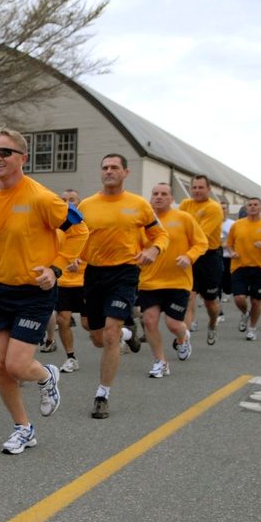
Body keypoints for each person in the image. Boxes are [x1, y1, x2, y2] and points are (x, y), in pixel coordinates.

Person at [0, 127, 87, 453]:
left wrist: (55, 269)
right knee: (0, 366)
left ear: (23, 159)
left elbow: (79, 230)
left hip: (35, 293)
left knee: (17, 365)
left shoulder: (42, 197)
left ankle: (46, 376)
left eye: (5, 152)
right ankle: (23, 428)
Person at [75, 153, 169, 419]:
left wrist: (154, 249)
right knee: (96, 338)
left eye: (114, 167)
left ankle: (102, 394)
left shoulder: (139, 205)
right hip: (94, 274)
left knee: (110, 333)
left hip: (125, 273)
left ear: (125, 173)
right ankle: (131, 335)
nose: (108, 171)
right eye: (104, 167)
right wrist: (71, 259)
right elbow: (75, 236)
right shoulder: (87, 205)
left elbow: (161, 234)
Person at [138, 183, 207, 377]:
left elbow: (201, 243)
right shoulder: (143, 222)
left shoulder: (184, 218)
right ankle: (161, 362)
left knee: (173, 325)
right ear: (151, 198)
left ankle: (183, 338)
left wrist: (189, 257)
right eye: (155, 193)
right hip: (150, 280)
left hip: (178, 281)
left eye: (164, 194)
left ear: (171, 199)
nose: (159, 197)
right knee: (150, 321)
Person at [225, 196, 261, 341]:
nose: (252, 207)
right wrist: (232, 252)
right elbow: (229, 243)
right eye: (250, 205)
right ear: (246, 207)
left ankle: (252, 329)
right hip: (239, 267)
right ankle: (245, 313)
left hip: (260, 268)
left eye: (255, 205)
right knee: (239, 298)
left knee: (257, 301)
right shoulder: (237, 225)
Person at [178, 175, 224, 345]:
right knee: (188, 297)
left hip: (209, 257)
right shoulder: (185, 205)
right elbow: (180, 227)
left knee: (210, 302)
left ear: (208, 189)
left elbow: (201, 236)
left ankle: (212, 323)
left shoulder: (214, 208)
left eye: (201, 187)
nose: (197, 191)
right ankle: (184, 340)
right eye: (194, 187)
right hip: (189, 255)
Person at [55, 189, 88, 374]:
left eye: (71, 200)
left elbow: (92, 252)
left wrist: (77, 259)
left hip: (84, 281)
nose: (67, 203)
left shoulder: (84, 226)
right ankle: (71, 357)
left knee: (88, 325)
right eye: (64, 199)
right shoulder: (57, 226)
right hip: (63, 280)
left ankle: (121, 335)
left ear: (79, 203)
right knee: (62, 319)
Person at [220, 202, 236, 301]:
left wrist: (225, 245)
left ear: (228, 210)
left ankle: (227, 293)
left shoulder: (233, 224)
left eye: (224, 208)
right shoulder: (213, 222)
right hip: (217, 254)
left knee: (227, 275)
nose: (222, 210)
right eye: (220, 208)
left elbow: (237, 239)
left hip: (228, 255)